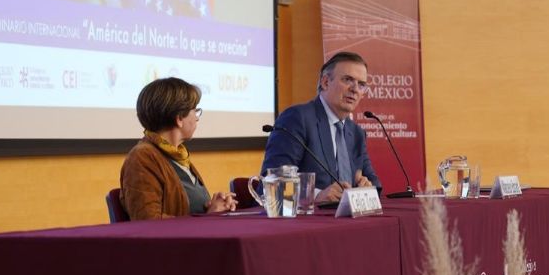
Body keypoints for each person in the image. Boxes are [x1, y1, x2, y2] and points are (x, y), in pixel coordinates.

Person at [261, 51, 381, 204]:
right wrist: (315, 195)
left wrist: (366, 187)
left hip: (349, 221)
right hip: (307, 223)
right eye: (347, 80)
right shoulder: (297, 118)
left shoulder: (356, 133)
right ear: (325, 82)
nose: (355, 89)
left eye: (361, 84)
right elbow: (272, 182)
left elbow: (374, 183)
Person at [120, 77, 236, 220]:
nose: (197, 118)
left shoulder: (179, 156)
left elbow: (192, 210)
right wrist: (208, 218)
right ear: (179, 118)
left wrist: (216, 206)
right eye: (195, 110)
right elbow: (148, 222)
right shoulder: (142, 158)